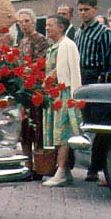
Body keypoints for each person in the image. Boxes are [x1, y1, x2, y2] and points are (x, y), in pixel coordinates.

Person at [74, 0, 111, 182]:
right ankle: (86, 163)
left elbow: (107, 58)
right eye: (80, 10)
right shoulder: (78, 32)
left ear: (95, 10)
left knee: (98, 124)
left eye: (86, 10)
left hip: (96, 76)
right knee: (83, 123)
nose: (83, 13)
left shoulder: (104, 32)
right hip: (81, 75)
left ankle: (96, 168)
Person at [42, 15, 83, 187]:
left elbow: (66, 70)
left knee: (63, 132)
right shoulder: (54, 46)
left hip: (64, 93)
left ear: (60, 27)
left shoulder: (67, 45)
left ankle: (61, 171)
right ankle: (64, 171)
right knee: (56, 132)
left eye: (50, 25)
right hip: (54, 94)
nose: (47, 28)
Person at [16, 8, 49, 179]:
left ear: (34, 22)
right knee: (25, 130)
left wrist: (27, 70)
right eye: (20, 22)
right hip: (23, 89)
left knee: (37, 128)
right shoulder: (21, 41)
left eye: (26, 21)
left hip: (35, 89)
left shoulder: (41, 40)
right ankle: (27, 164)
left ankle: (39, 165)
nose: (23, 25)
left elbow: (41, 63)